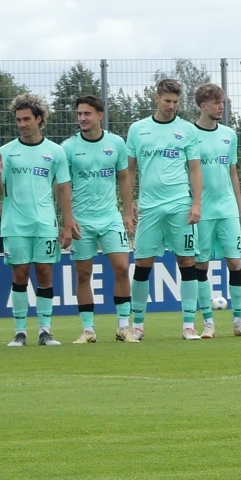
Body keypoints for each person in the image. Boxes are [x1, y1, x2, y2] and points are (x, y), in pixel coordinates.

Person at [123, 77, 203, 341]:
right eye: (167, 101)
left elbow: (194, 169)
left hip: (180, 204)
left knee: (187, 261)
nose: (171, 106)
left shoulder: (187, 130)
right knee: (143, 263)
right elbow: (129, 171)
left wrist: (196, 203)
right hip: (149, 207)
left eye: (176, 102)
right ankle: (137, 326)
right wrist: (128, 205)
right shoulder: (138, 129)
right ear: (157, 98)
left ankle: (189, 325)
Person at [0, 94, 73, 347]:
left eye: (26, 119)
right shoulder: (6, 152)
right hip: (15, 224)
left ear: (39, 119)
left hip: (45, 223)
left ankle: (45, 330)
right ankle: (20, 332)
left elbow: (63, 188)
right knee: (20, 274)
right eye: (18, 120)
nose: (22, 124)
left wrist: (67, 223)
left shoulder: (55, 152)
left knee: (45, 273)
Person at [61, 94, 134, 344]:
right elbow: (63, 186)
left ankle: (123, 327)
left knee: (122, 268)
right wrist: (68, 219)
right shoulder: (68, 147)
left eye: (87, 113)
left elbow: (124, 177)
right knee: (83, 274)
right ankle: (88, 330)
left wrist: (127, 212)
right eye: (79, 114)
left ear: (99, 116)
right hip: (81, 220)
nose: (82, 118)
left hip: (110, 217)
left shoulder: (116, 143)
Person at [190, 82, 241, 338]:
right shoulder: (189, 134)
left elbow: (232, 173)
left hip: (226, 208)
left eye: (223, 102)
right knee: (201, 265)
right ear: (203, 105)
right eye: (217, 103)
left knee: (235, 262)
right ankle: (208, 323)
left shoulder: (229, 134)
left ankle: (239, 322)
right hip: (202, 211)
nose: (221, 107)